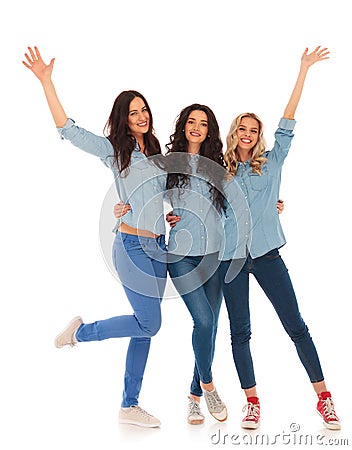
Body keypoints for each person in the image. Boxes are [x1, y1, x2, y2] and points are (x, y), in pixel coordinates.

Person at [22, 46, 168, 428]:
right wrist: (46, 82)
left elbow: (158, 194)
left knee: (144, 328)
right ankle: (80, 334)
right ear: (123, 119)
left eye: (144, 109)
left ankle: (129, 405)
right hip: (133, 247)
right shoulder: (114, 150)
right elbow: (69, 131)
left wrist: (164, 212)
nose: (142, 116)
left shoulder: (155, 150)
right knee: (150, 324)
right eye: (133, 112)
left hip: (159, 246)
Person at [220, 46, 341, 430]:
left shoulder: (272, 162)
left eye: (254, 131)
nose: (248, 134)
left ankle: (324, 398)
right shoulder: (219, 170)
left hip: (268, 255)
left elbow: (287, 120)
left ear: (258, 137)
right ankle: (252, 402)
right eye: (243, 128)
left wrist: (303, 70)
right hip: (231, 260)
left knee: (296, 326)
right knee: (240, 332)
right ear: (234, 132)